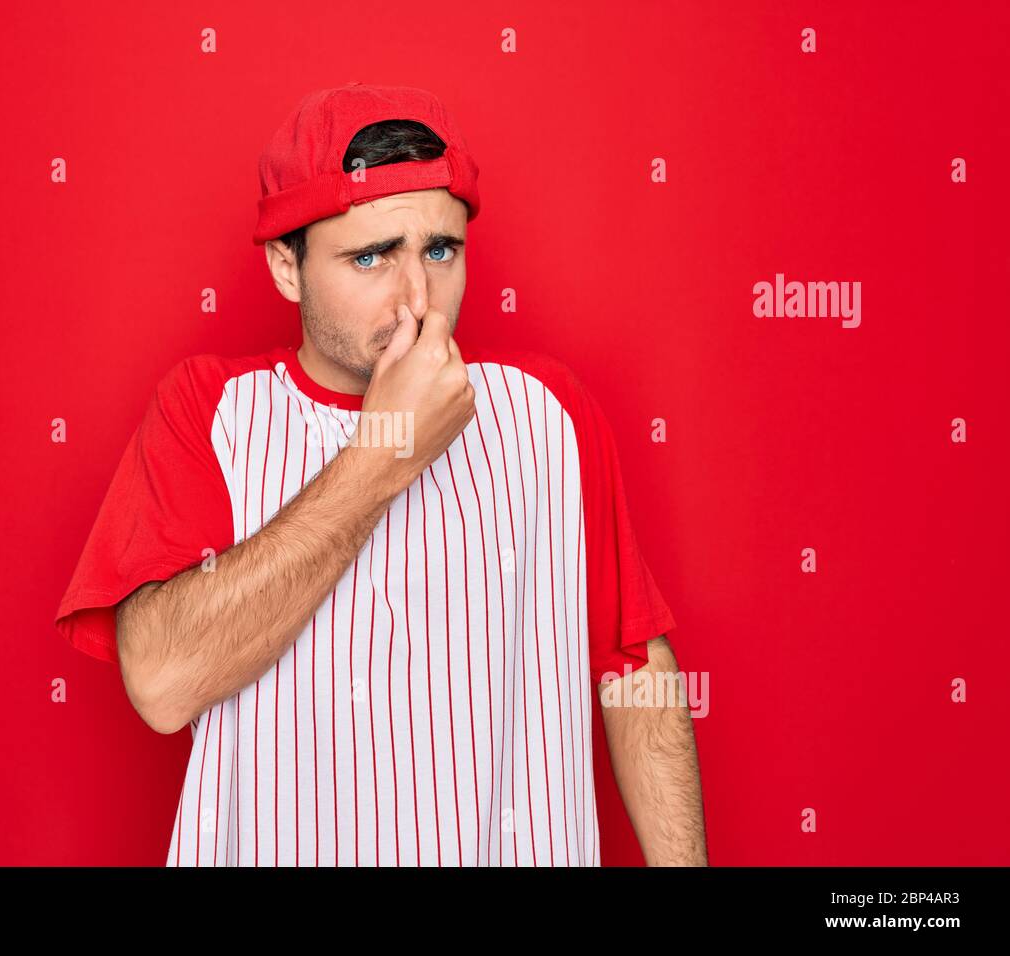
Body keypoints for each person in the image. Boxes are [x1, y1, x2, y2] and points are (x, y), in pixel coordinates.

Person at [54, 82, 707, 866]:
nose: (417, 299)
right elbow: (161, 683)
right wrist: (382, 456)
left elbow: (635, 670)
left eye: (440, 249)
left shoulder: (548, 412)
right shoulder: (206, 410)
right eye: (369, 256)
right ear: (286, 268)